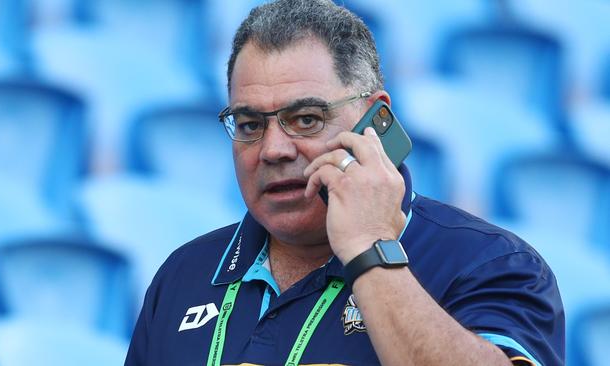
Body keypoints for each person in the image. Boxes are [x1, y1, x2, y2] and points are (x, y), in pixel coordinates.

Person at [125, 0, 564, 365]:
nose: (274, 148)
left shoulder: (489, 262)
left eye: (307, 119)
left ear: (374, 122)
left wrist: (371, 248)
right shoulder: (185, 273)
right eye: (250, 123)